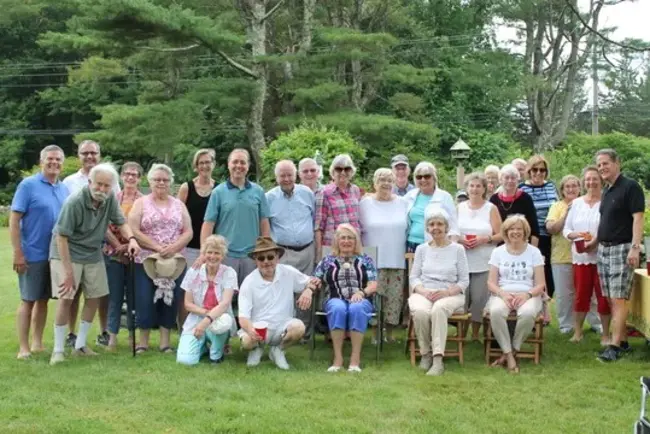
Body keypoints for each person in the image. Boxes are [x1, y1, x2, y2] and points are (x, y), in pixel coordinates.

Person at [49, 163, 140, 365]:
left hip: (92, 252)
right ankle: (58, 350)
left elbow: (120, 222)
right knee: (66, 297)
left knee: (95, 296)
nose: (102, 189)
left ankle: (80, 346)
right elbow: (61, 237)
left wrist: (131, 239)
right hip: (66, 251)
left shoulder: (108, 200)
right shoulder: (74, 202)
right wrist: (68, 273)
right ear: (90, 182)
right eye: (99, 184)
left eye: (107, 186)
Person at [10, 145, 69, 359]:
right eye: (50, 159)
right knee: (28, 299)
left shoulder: (63, 189)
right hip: (32, 254)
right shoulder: (28, 185)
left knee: (43, 299)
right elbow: (14, 220)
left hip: (55, 256)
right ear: (41, 161)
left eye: (58, 159)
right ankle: (23, 347)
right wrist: (18, 252)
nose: (54, 163)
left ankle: (37, 342)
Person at [128, 164, 193, 354]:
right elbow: (133, 229)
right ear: (150, 181)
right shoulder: (141, 203)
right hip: (146, 261)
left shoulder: (178, 204)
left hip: (174, 263)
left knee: (170, 300)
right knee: (144, 299)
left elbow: (188, 231)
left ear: (171, 182)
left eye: (165, 180)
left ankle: (165, 343)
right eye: (157, 179)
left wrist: (173, 247)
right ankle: (143, 342)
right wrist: (156, 247)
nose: (161, 183)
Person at [63, 140, 120, 348]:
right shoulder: (69, 182)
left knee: (100, 292)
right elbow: (67, 221)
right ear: (78, 155)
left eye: (93, 153)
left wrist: (114, 243)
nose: (89, 156)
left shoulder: (111, 181)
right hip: (75, 247)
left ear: (99, 155)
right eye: (84, 153)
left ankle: (103, 331)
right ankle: (71, 333)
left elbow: (112, 217)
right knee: (74, 292)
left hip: (101, 247)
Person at [595, 149, 645, 362]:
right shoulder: (607, 190)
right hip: (603, 249)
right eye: (599, 165)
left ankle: (614, 346)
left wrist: (635, 247)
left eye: (606, 163)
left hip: (622, 248)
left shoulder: (630, 187)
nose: (602, 168)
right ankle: (623, 341)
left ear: (617, 163)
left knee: (618, 298)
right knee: (609, 297)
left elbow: (638, 218)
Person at [408, 210, 469, 376]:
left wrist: (447, 292)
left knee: (438, 309)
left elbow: (464, 281)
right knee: (420, 311)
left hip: (450, 294)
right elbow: (414, 278)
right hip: (425, 292)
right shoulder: (421, 249)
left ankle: (437, 360)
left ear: (447, 227)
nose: (436, 228)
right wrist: (424, 291)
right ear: (427, 229)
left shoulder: (458, 249)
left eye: (440, 224)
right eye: (432, 224)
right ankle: (425, 354)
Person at [238, 237, 314, 370]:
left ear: (277, 257)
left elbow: (312, 281)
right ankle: (256, 349)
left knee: (299, 328)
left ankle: (278, 350)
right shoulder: (249, 281)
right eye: (261, 258)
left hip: (283, 326)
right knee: (247, 342)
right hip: (260, 329)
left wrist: (308, 290)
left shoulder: (288, 272)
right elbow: (243, 317)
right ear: (255, 260)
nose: (266, 261)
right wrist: (251, 330)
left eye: (270, 257)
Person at [201, 148, 270, 287]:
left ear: (248, 165)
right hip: (225, 256)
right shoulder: (218, 192)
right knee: (224, 297)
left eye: (242, 162)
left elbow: (264, 222)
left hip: (252, 256)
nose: (239, 166)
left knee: (251, 296)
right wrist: (205, 253)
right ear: (228, 164)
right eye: (235, 162)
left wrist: (265, 249)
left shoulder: (258, 191)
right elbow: (208, 224)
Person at [313, 224, 377, 373]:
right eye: (343, 238)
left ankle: (355, 359)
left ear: (356, 241)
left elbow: (374, 284)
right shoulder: (327, 260)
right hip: (335, 298)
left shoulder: (365, 260)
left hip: (361, 299)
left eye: (350, 238)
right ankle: (338, 358)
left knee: (357, 308)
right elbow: (315, 278)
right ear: (337, 241)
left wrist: (361, 293)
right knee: (338, 308)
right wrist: (312, 285)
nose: (346, 241)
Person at [486, 215, 545, 374]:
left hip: (528, 294)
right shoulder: (498, 252)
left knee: (527, 313)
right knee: (496, 311)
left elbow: (540, 284)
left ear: (525, 231)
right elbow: (491, 283)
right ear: (505, 231)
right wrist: (503, 294)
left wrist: (527, 295)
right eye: (511, 229)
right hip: (503, 293)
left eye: (519, 228)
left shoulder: (534, 252)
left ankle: (512, 350)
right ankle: (509, 355)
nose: (515, 232)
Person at [266, 160, 316, 339]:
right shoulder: (269, 198)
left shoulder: (307, 193)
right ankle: (284, 331)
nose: (286, 179)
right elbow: (266, 226)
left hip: (307, 250)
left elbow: (314, 221)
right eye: (282, 176)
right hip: (283, 252)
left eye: (289, 175)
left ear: (295, 175)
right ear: (276, 177)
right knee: (284, 293)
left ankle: (305, 333)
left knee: (306, 291)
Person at [359, 168, 408, 342]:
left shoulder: (403, 202)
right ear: (374, 183)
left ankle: (390, 333)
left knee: (394, 298)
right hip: (373, 259)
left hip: (397, 257)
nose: (386, 183)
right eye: (382, 180)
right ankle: (375, 333)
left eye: (389, 180)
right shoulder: (364, 203)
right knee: (375, 297)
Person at [563, 167, 610, 344]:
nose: (591, 183)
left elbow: (609, 227)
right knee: (581, 294)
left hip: (602, 256)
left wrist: (595, 242)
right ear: (584, 182)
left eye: (595, 179)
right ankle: (577, 332)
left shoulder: (606, 202)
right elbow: (566, 229)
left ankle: (606, 334)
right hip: (581, 257)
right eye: (588, 179)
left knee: (603, 296)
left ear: (601, 181)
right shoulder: (576, 203)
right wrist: (575, 236)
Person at [176, 235, 237, 365]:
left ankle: (216, 353)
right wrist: (205, 314)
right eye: (209, 252)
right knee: (185, 361)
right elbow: (188, 304)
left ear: (223, 255)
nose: (212, 256)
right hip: (197, 318)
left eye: (217, 253)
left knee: (225, 321)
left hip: (219, 318)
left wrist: (206, 321)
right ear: (203, 254)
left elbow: (225, 303)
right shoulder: (193, 272)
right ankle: (202, 346)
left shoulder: (229, 273)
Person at [103, 162, 144, 350]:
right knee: (115, 297)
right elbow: (103, 225)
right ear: (121, 176)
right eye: (127, 174)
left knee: (134, 297)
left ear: (140, 178)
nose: (130, 178)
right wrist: (118, 245)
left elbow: (145, 228)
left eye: (134, 175)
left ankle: (131, 335)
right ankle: (111, 337)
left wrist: (130, 244)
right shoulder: (112, 198)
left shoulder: (144, 201)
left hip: (136, 254)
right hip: (114, 254)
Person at [457, 172, 502, 341]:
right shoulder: (459, 207)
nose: (475, 189)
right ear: (467, 188)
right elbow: (452, 232)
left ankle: (476, 334)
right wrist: (461, 240)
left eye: (478, 186)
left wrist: (485, 239)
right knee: (463, 298)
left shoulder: (491, 208)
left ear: (484, 188)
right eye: (472, 186)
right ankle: (461, 333)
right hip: (462, 260)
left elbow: (501, 235)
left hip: (484, 260)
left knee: (478, 299)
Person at [520, 155, 558, 298]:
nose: (538, 173)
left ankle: (546, 305)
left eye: (542, 170)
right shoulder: (522, 188)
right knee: (533, 272)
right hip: (531, 237)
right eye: (534, 169)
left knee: (549, 272)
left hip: (550, 235)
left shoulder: (551, 186)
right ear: (529, 171)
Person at [314, 154, 362, 259]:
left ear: (352, 172)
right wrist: (319, 254)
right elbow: (318, 227)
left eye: (347, 169)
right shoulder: (324, 193)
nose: (343, 172)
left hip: (353, 247)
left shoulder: (355, 190)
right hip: (333, 248)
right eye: (339, 169)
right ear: (333, 172)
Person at [404, 162, 458, 252]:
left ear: (434, 178)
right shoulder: (410, 196)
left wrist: (452, 247)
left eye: (427, 176)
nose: (423, 180)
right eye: (419, 177)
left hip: (436, 245)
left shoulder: (445, 196)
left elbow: (453, 225)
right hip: (412, 244)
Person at [177, 149, 216, 267]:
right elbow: (177, 216)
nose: (205, 166)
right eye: (201, 163)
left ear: (213, 164)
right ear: (196, 166)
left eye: (208, 162)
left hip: (213, 249)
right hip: (189, 248)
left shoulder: (219, 189)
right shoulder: (186, 188)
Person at [489, 164, 539, 245]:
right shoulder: (494, 199)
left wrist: (534, 250)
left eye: (513, 178)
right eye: (506, 177)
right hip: (500, 246)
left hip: (522, 244)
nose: (510, 181)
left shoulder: (526, 198)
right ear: (500, 180)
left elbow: (534, 228)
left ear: (518, 180)